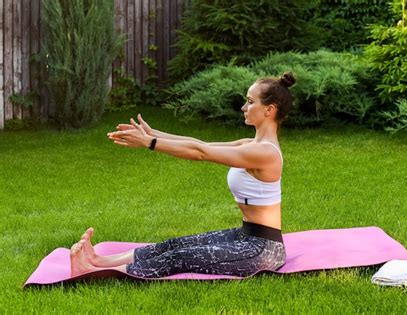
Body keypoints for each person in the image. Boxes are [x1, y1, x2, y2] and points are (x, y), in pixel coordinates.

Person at [70, 72, 296, 278]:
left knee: (179, 258)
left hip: (261, 250)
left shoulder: (264, 153)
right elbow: (200, 143)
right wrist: (152, 133)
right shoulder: (251, 144)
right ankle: (99, 260)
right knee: (174, 245)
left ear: (269, 109)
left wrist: (150, 143)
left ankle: (92, 273)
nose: (243, 108)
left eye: (250, 102)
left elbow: (200, 153)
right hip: (245, 236)